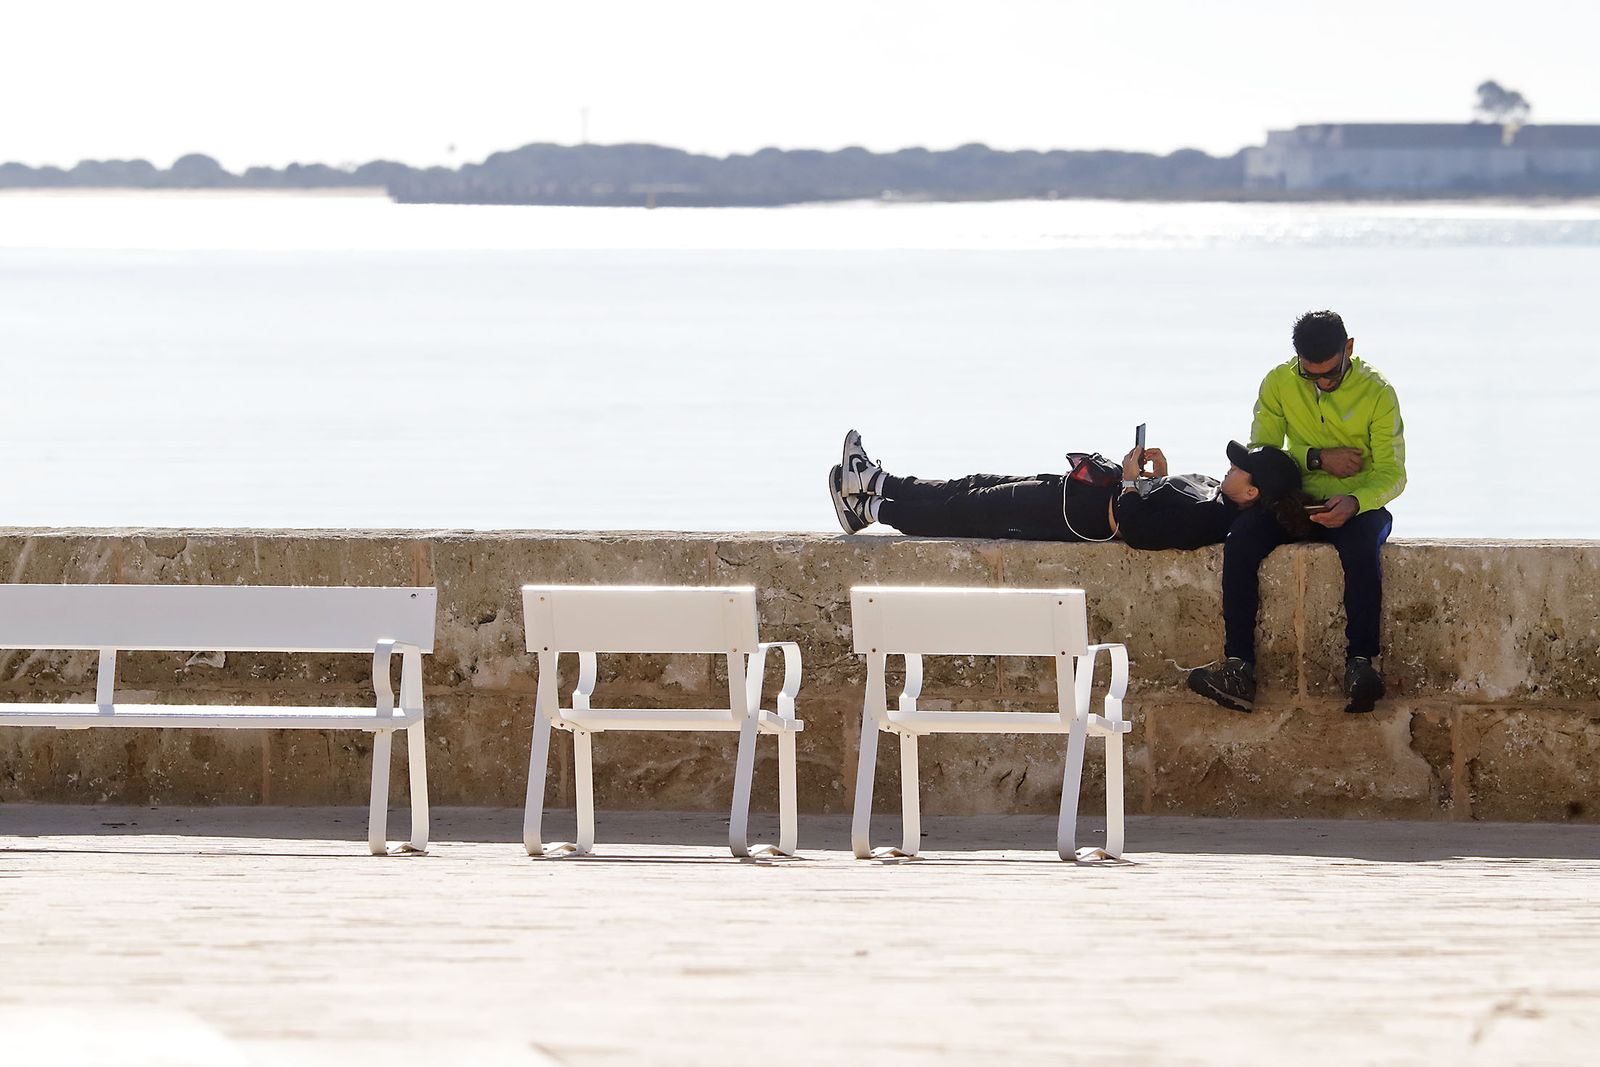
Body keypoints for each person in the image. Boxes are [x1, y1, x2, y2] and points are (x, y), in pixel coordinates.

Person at [1188, 310, 1406, 715]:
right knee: (1241, 539)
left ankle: (1360, 663)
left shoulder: (1379, 392)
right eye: (1311, 375)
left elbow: (1394, 475)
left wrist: (1355, 501)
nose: (1322, 382)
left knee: (1362, 549)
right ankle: (1238, 667)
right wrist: (1317, 459)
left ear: (1350, 349)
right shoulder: (1277, 383)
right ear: (1298, 361)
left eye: (1331, 374)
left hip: (1358, 504)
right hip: (1291, 500)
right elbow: (1262, 457)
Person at [828, 430, 1311, 549]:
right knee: (971, 485)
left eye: (1241, 468)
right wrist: (1157, 477)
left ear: (1252, 494)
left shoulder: (1215, 519)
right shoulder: (1219, 497)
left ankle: (872, 508)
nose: (1232, 466)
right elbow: (1159, 505)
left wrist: (1127, 480)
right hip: (1072, 491)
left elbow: (1143, 533)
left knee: (965, 510)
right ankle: (872, 481)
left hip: (1068, 518)